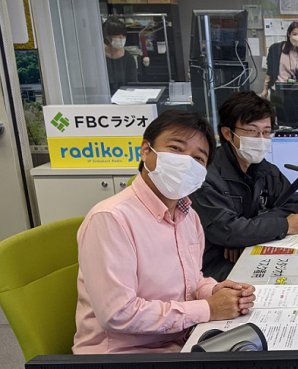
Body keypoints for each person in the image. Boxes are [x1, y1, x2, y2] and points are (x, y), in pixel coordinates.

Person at [73, 111, 255, 354]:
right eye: (176, 149)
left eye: (198, 159)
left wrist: (215, 291)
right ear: (146, 150)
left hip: (180, 342)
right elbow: (118, 314)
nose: (186, 162)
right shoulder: (111, 219)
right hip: (122, 360)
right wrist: (208, 308)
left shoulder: (189, 216)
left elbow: (190, 280)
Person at [190, 91, 298, 281]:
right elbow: (226, 229)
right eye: (252, 131)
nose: (260, 138)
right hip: (215, 271)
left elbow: (293, 205)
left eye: (266, 132)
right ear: (228, 133)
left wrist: (246, 235)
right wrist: (283, 225)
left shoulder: (264, 170)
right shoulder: (205, 177)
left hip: (252, 254)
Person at [263, 21, 298, 96]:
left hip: (292, 91)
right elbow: (270, 71)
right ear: (288, 34)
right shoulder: (276, 49)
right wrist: (265, 89)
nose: (297, 37)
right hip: (277, 89)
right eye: (294, 34)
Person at [102, 17, 137, 95]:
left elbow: (133, 84)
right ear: (107, 37)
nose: (121, 38)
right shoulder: (99, 57)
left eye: (123, 35)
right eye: (117, 35)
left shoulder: (129, 58)